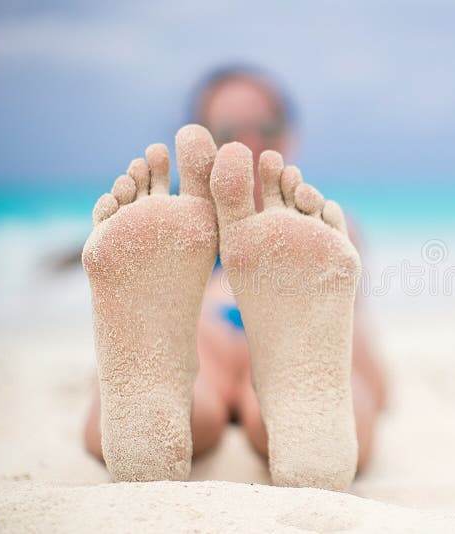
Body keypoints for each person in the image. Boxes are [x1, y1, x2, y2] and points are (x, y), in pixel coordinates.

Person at [83, 66, 386, 488]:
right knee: (179, 373)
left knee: (326, 376)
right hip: (198, 334)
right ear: (203, 143)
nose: (249, 145)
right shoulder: (169, 232)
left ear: (289, 136)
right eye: (228, 133)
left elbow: (362, 337)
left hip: (299, 341)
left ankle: (309, 426)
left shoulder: (324, 237)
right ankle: (148, 425)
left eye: (267, 128)